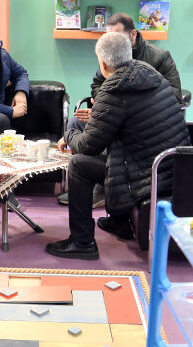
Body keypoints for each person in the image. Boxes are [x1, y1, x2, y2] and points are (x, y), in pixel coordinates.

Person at [46, 33, 189, 260]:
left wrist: (68, 134)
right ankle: (119, 222)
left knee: (79, 165)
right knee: (113, 147)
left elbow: (88, 146)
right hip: (173, 166)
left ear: (103, 64)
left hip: (148, 173)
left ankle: (82, 242)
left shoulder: (113, 90)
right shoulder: (150, 73)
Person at [57, 12, 182, 206]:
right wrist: (103, 110)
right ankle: (93, 189)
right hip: (138, 139)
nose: (112, 41)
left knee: (79, 157)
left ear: (133, 35)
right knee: (76, 122)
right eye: (108, 36)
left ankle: (100, 193)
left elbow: (173, 97)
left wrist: (110, 111)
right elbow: (98, 86)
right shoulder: (140, 67)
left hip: (144, 150)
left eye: (116, 36)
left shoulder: (158, 58)